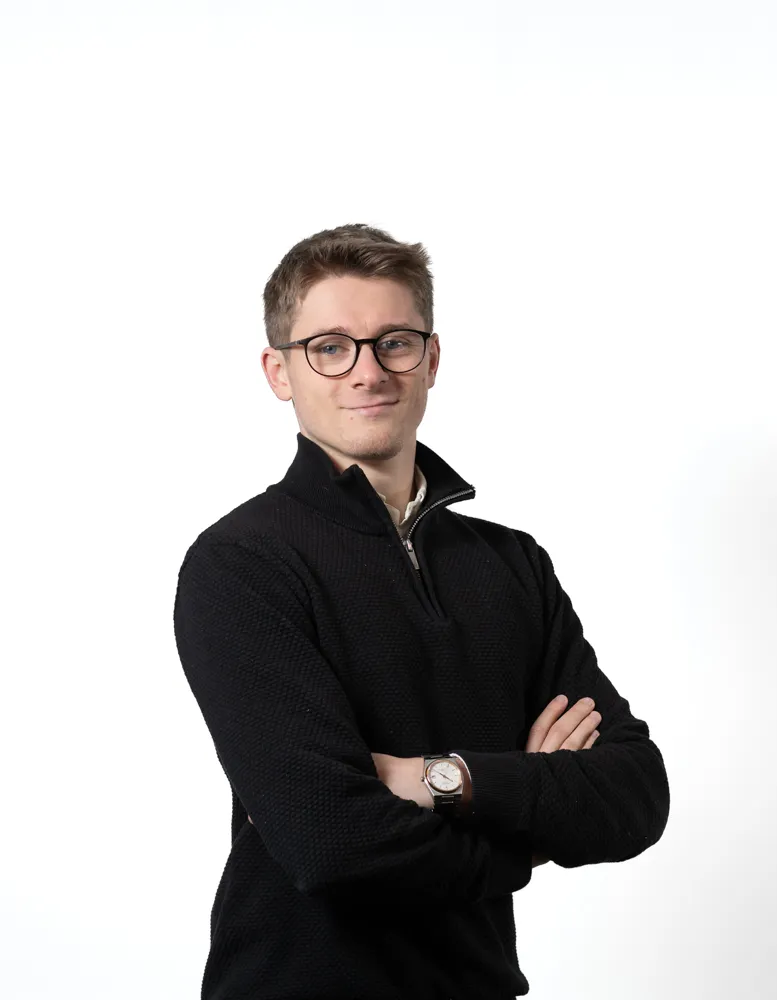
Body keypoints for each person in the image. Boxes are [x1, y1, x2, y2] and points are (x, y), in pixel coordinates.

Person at [172, 223, 670, 1000]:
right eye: (330, 347)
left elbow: (635, 795)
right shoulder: (241, 565)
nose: (368, 371)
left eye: (394, 343)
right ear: (279, 371)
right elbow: (329, 842)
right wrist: (522, 831)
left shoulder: (511, 565)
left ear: (431, 359)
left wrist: (442, 780)